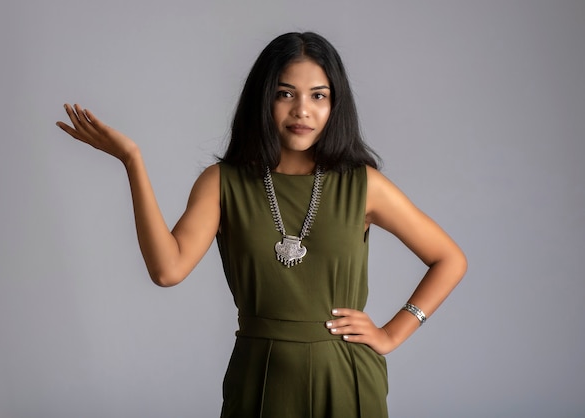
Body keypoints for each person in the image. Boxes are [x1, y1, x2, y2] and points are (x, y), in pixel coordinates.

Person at [56, 32, 467, 418]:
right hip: (261, 374)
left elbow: (449, 258)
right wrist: (133, 161)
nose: (302, 110)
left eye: (318, 96)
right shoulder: (223, 183)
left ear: (334, 104)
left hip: (347, 375)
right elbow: (167, 270)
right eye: (284, 93)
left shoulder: (362, 184)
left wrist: (394, 333)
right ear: (262, 100)